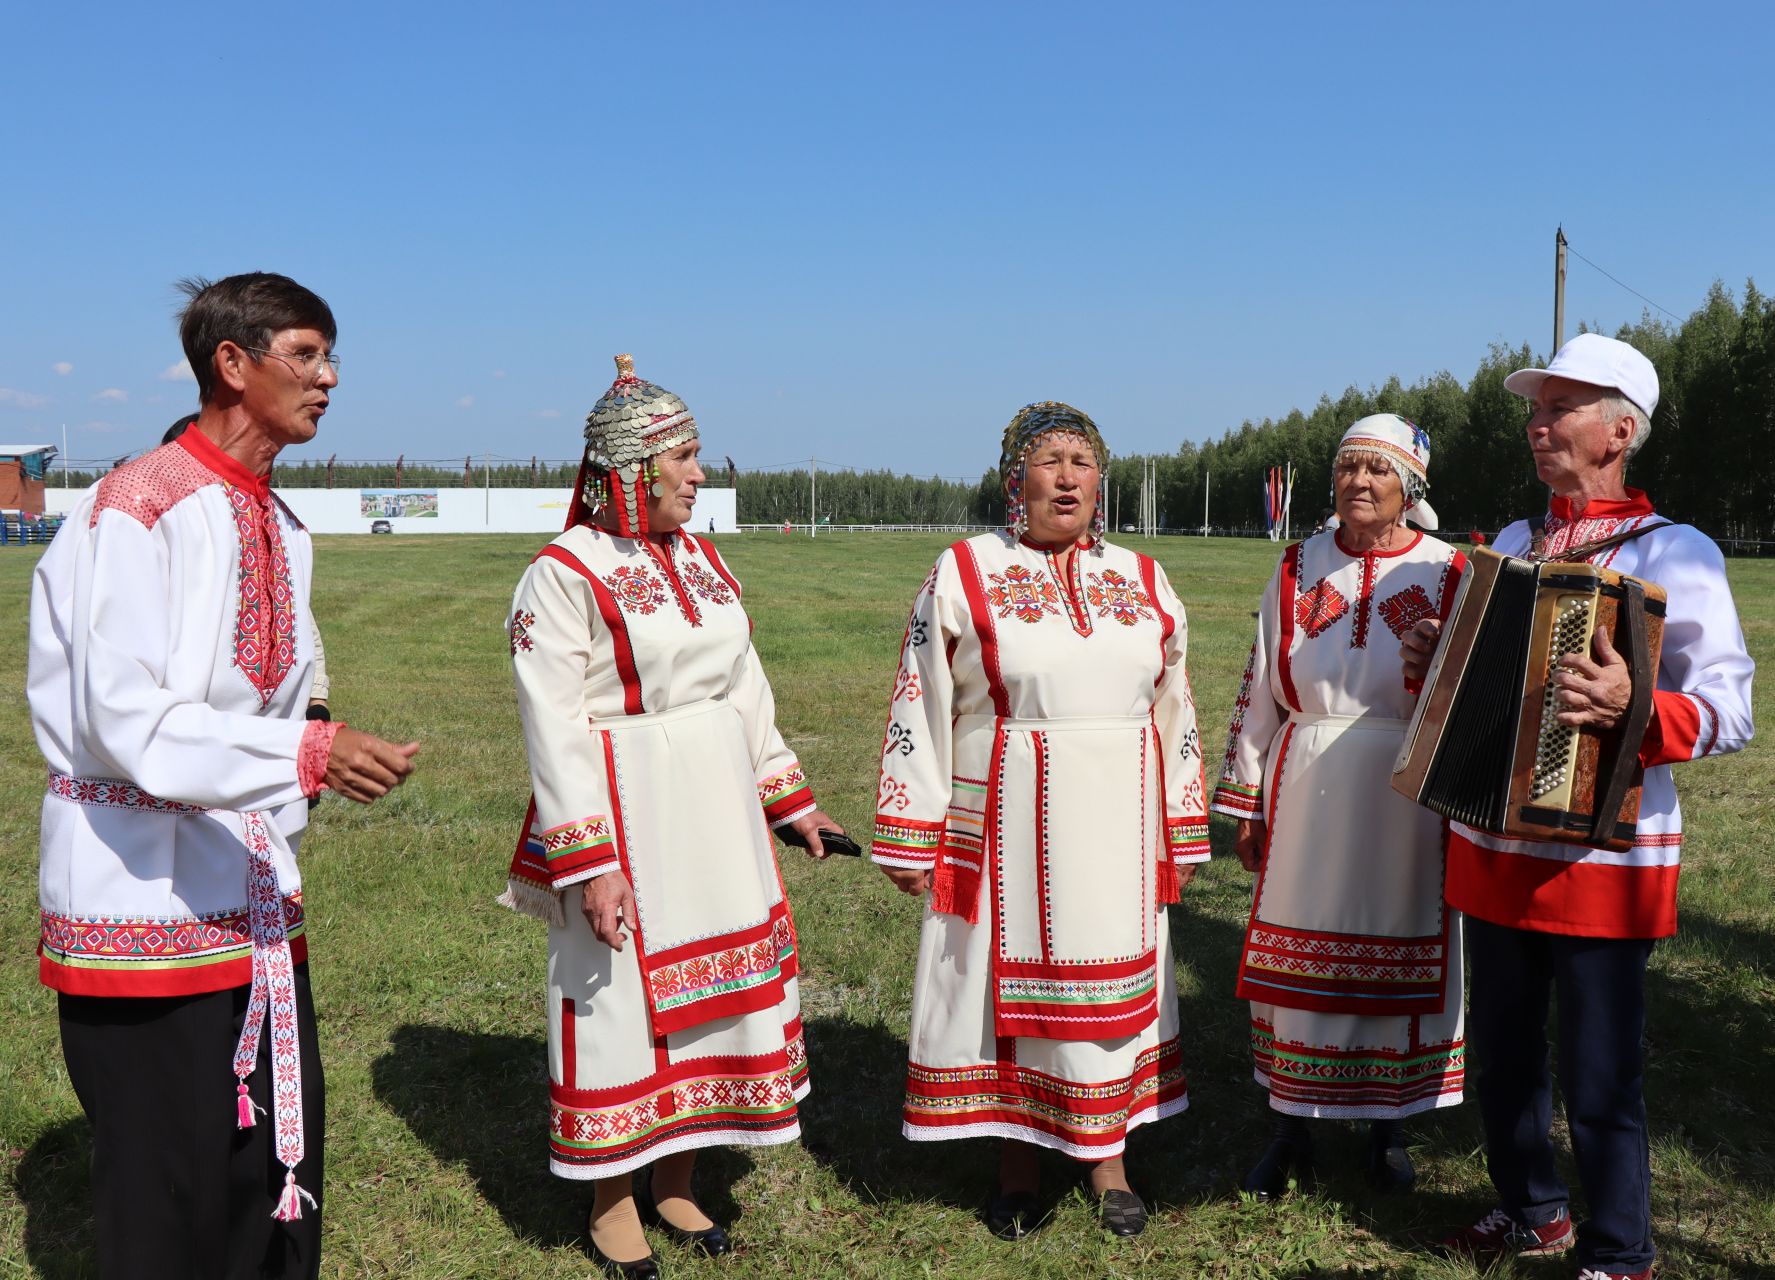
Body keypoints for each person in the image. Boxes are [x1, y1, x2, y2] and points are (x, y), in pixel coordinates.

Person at [27, 272, 419, 1278]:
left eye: (333, 357)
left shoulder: (282, 523)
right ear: (230, 365)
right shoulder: (135, 507)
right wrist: (302, 754)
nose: (328, 378)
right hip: (139, 890)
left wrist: (308, 736)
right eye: (306, 353)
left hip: (249, 888)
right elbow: (123, 719)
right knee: (168, 1182)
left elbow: (278, 688)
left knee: (270, 1165)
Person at [1402, 334, 1754, 1280]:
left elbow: (1730, 706)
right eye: (1537, 408)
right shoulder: (1512, 544)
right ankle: (1532, 1211)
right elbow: (1484, 676)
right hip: (1493, 838)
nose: (1538, 424)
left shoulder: (1678, 552)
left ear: (1620, 430)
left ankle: (1621, 1249)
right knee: (1504, 1060)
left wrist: (1634, 709)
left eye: (1561, 408)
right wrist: (1441, 654)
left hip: (1605, 858)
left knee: (1602, 1073)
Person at [503, 355, 845, 1278]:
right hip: (624, 805)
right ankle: (612, 1198)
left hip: (715, 806)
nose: (700, 476)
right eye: (684, 461)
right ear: (630, 473)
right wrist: (591, 861)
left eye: (697, 458)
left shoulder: (699, 556)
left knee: (710, 1002)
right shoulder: (562, 574)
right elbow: (554, 724)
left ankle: (677, 1178)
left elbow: (745, 683)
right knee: (615, 1000)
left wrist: (787, 797)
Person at [870, 402, 1211, 1240]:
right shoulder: (964, 570)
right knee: (1003, 998)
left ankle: (1109, 1162)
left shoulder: (1144, 576)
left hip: (1120, 827)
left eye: (1082, 461)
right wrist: (910, 821)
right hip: (1006, 820)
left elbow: (1176, 705)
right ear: (1012, 479)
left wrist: (1183, 817)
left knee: (1113, 986)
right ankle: (1018, 1164)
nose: (1067, 476)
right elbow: (922, 694)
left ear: (1103, 480)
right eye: (1049, 460)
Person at [1213, 415, 1469, 1198]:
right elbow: (1262, 685)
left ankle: (1390, 1129)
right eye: (1348, 468)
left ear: (1410, 489)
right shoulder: (1297, 567)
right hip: (1307, 780)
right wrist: (1247, 797)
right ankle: (1291, 1122)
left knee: (1403, 941)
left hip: (1407, 790)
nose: (1360, 482)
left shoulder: (1452, 571)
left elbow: (1470, 690)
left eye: (1378, 472)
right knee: (1302, 955)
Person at [166, 412, 335, 721]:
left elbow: (301, 626)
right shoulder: (156, 527)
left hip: (272, 734)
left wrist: (317, 698)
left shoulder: (285, 528)